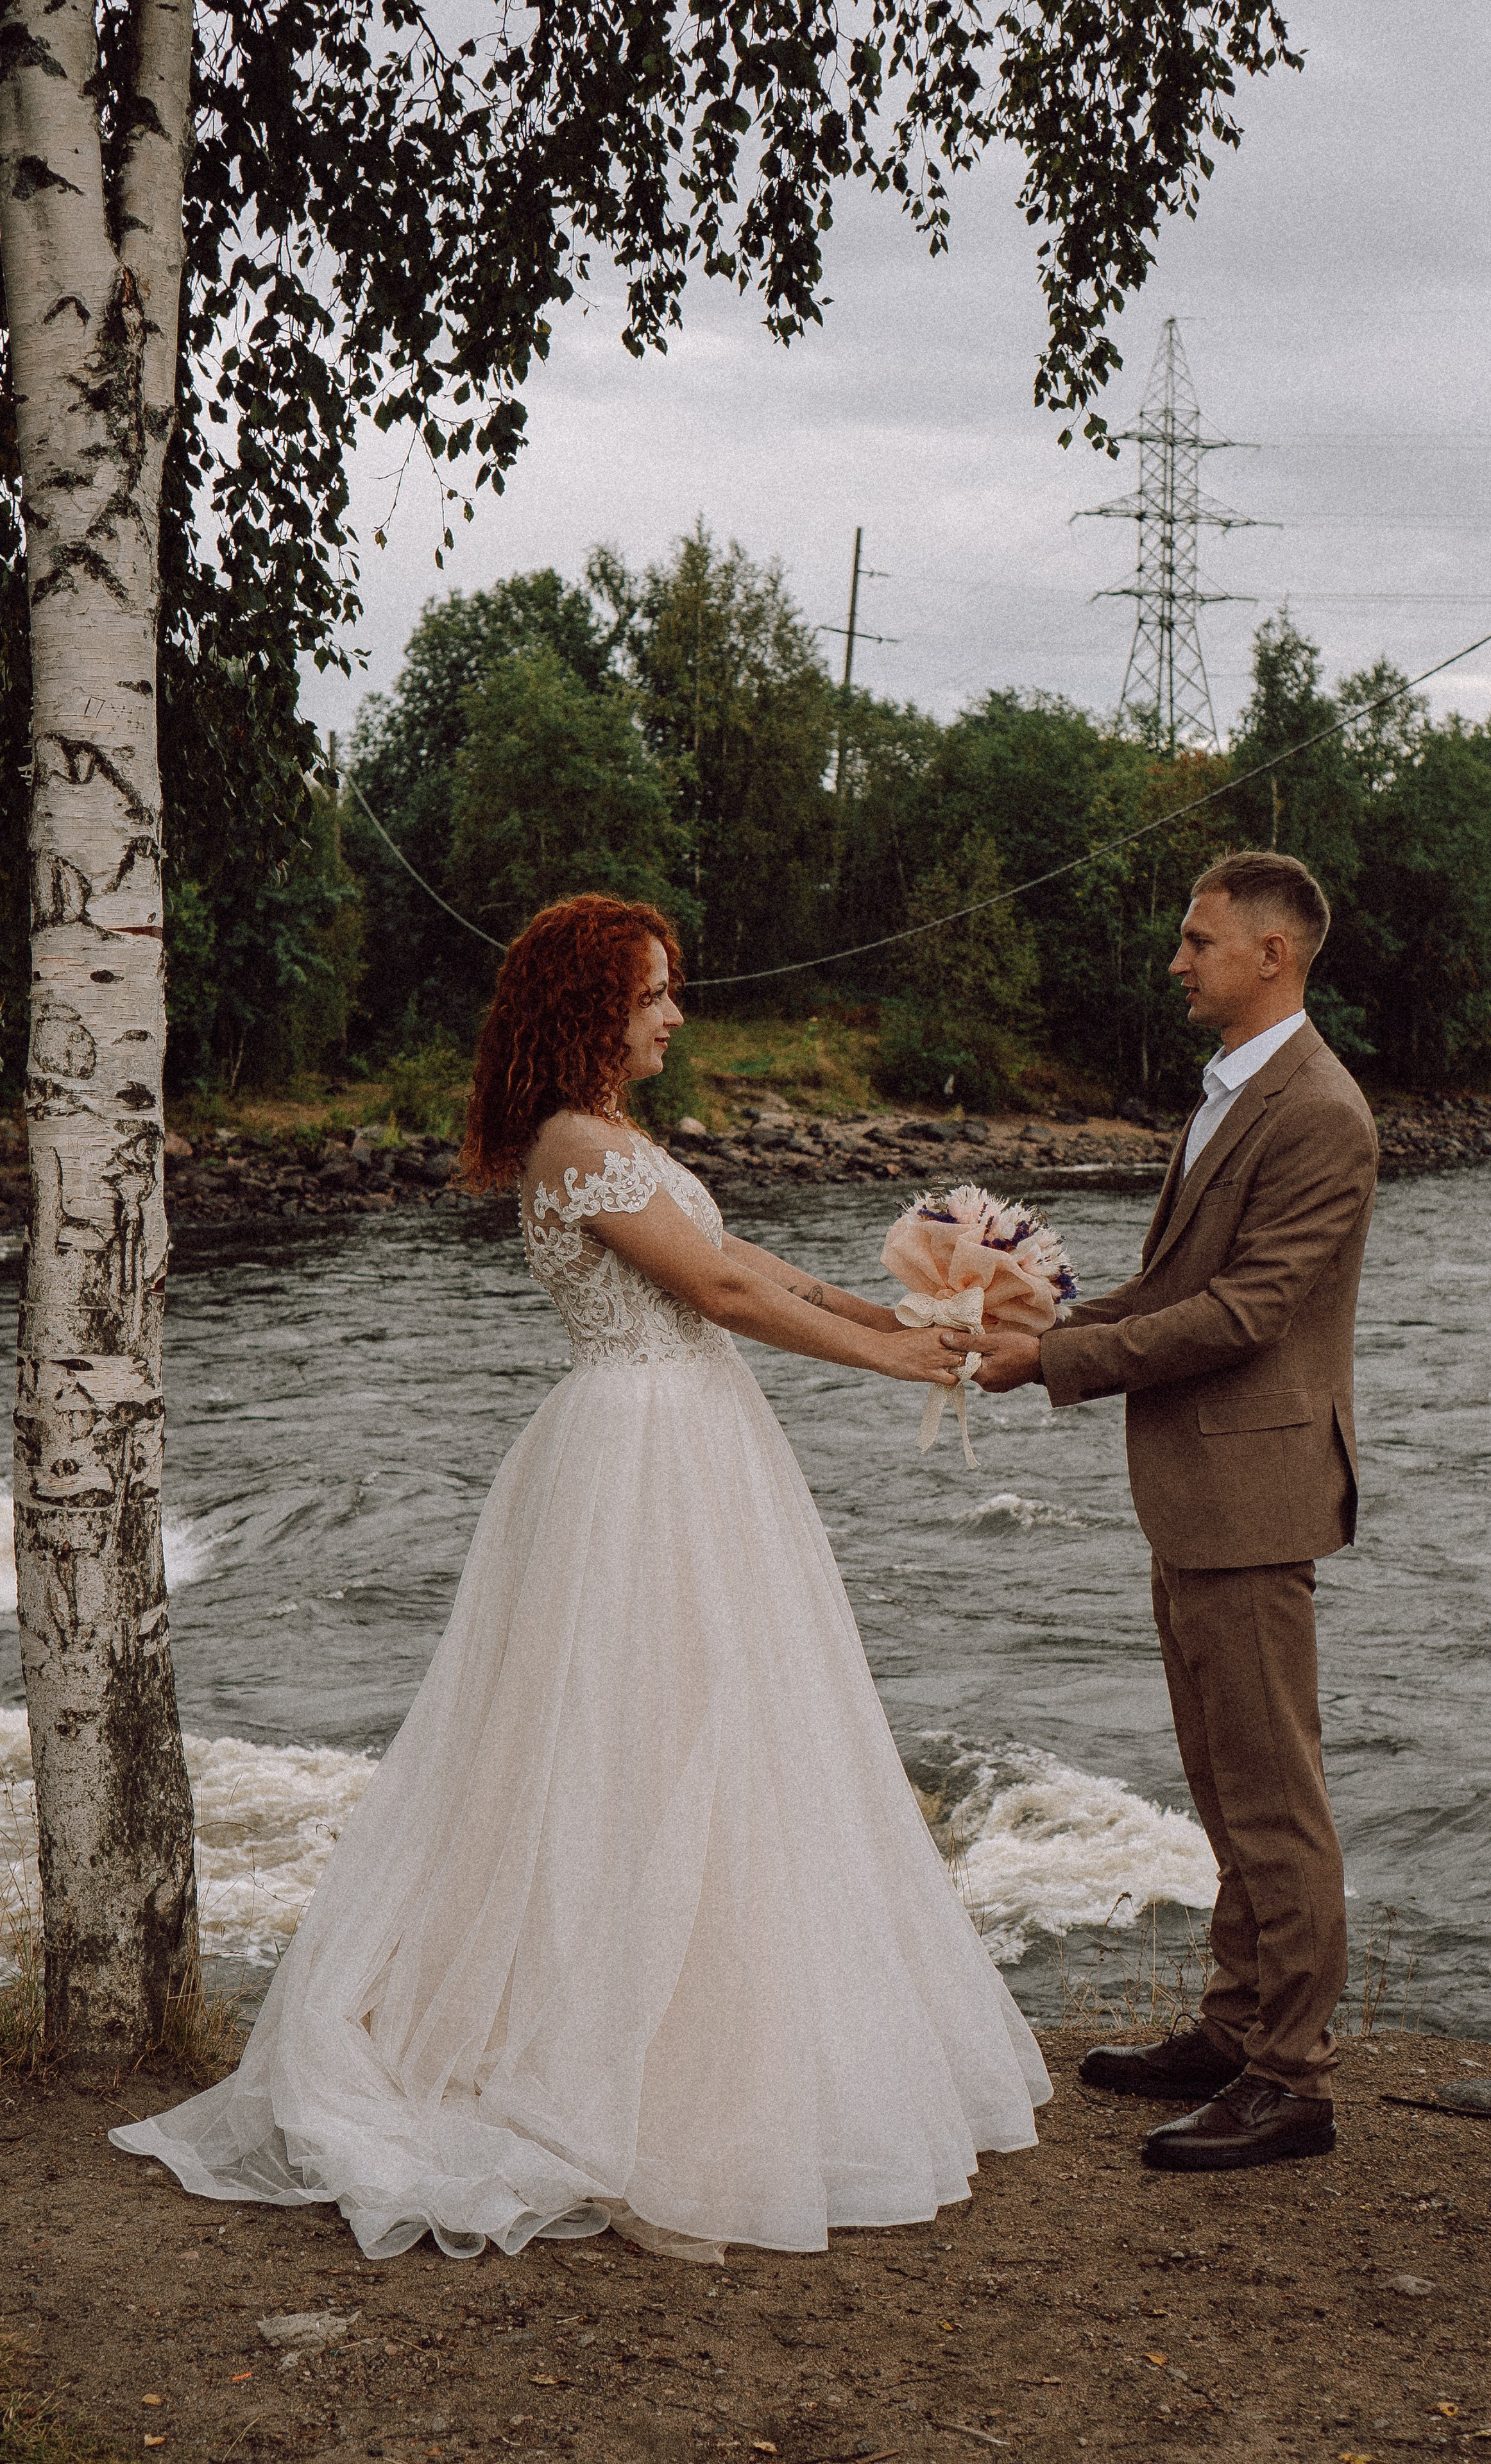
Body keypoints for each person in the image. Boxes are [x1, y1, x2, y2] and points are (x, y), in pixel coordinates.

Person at [112, 893, 1048, 2259]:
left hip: (694, 1440)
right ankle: (621, 2090)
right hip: (640, 1450)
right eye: (655, 992)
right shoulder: (570, 1146)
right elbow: (720, 1301)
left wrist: (898, 1310)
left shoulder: (615, 1140)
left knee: (723, 1737)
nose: (675, 1012)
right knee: (638, 1743)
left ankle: (706, 2052)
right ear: (590, 1008)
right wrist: (894, 1363)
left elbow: (737, 1262)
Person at [949, 850, 1376, 2174]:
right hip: (1199, 1493)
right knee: (1219, 1782)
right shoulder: (1235, 1092)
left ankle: (1290, 2083)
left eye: (1197, 942)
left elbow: (1249, 1310)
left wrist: (1056, 1363)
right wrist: (1037, 1323)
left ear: (1272, 955)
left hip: (1251, 1496)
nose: (1176, 961)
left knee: (1273, 1799)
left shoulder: (1319, 1111)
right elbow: (1169, 1282)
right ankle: (1235, 2026)